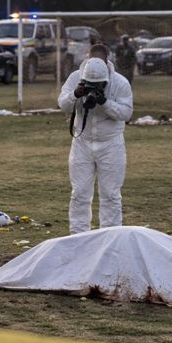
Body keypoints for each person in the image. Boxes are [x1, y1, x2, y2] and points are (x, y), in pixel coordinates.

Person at [57, 44, 133, 234]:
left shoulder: (120, 83)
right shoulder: (75, 77)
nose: (95, 86)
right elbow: (63, 104)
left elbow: (126, 113)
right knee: (79, 194)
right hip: (82, 142)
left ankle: (109, 238)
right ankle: (78, 238)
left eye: (99, 84)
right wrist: (76, 94)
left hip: (111, 144)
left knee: (111, 195)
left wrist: (105, 103)